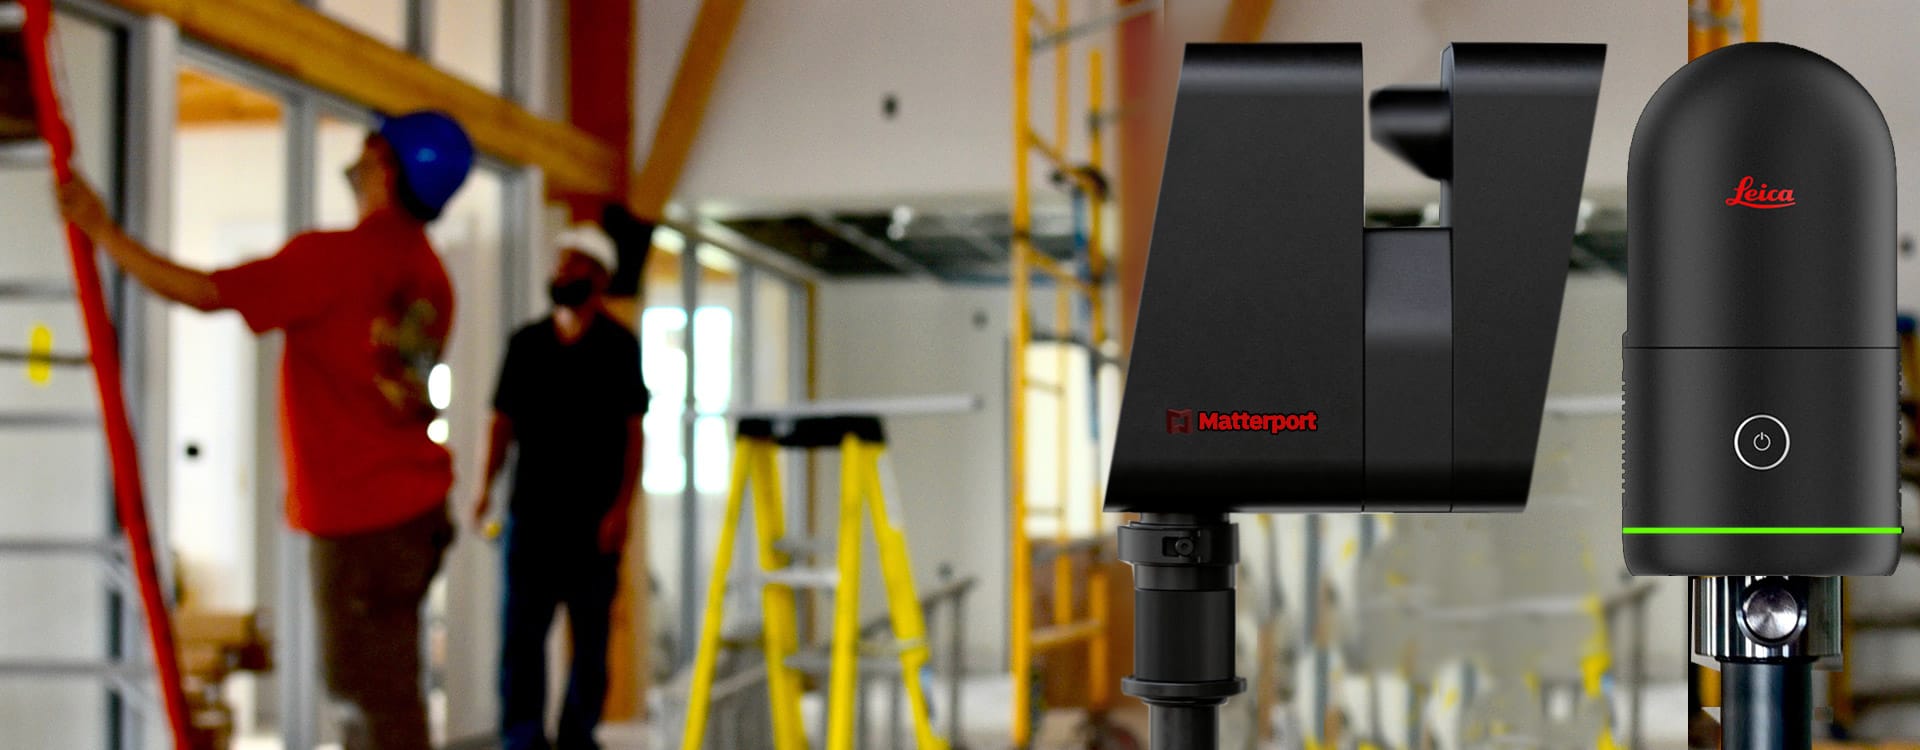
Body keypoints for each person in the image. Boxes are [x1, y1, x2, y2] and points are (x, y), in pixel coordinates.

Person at [57, 110, 475, 750]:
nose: (358, 161)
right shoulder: (429, 272)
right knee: (387, 693)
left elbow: (205, 292)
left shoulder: (335, 259)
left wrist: (102, 231)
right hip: (414, 513)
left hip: (362, 519)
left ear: (387, 168)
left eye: (370, 150)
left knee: (368, 698)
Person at [474, 222, 647, 750]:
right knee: (521, 635)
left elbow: (634, 434)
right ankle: (522, 735)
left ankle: (578, 733)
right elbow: (501, 423)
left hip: (593, 521)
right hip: (531, 515)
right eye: (560, 263)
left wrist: (621, 509)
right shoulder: (525, 344)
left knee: (591, 636)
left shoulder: (619, 347)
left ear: (598, 278)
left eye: (574, 265)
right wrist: (484, 489)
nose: (562, 272)